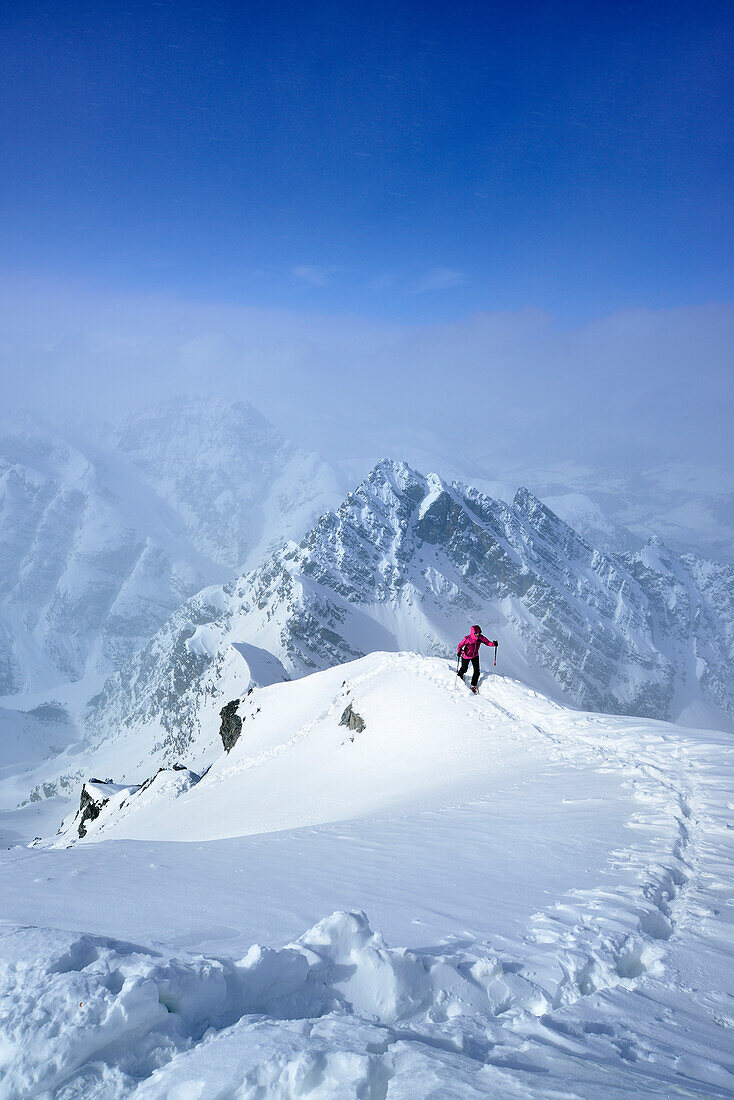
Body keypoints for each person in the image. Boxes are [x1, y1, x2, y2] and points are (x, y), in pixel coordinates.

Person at [456, 625, 498, 693]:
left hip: (475, 655)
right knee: (464, 668)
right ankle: (460, 675)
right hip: (466, 656)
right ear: (473, 633)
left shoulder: (480, 638)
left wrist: (493, 644)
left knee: (477, 671)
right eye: (477, 633)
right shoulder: (467, 639)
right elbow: (460, 646)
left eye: (479, 632)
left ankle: (473, 685)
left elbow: (487, 642)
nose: (478, 634)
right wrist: (459, 652)